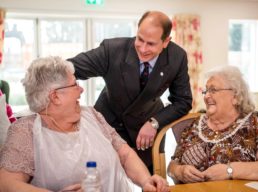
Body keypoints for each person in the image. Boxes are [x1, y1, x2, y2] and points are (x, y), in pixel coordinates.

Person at [0, 56, 169, 192]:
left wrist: (146, 181)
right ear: (55, 96)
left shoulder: (92, 115)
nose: (81, 90)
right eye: (75, 84)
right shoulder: (25, 131)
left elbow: (125, 155)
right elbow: (7, 184)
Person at [67, 10, 192, 171]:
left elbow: (183, 101)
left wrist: (155, 123)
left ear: (166, 41)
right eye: (140, 39)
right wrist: (43, 74)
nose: (143, 48)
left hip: (147, 125)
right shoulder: (112, 50)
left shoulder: (177, 57)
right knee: (103, 176)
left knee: (150, 178)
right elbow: (71, 68)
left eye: (151, 44)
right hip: (109, 122)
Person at [167, 65, 258, 183]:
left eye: (213, 90)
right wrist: (179, 171)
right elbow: (172, 165)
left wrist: (230, 170)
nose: (206, 96)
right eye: (206, 91)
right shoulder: (194, 126)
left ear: (236, 97)